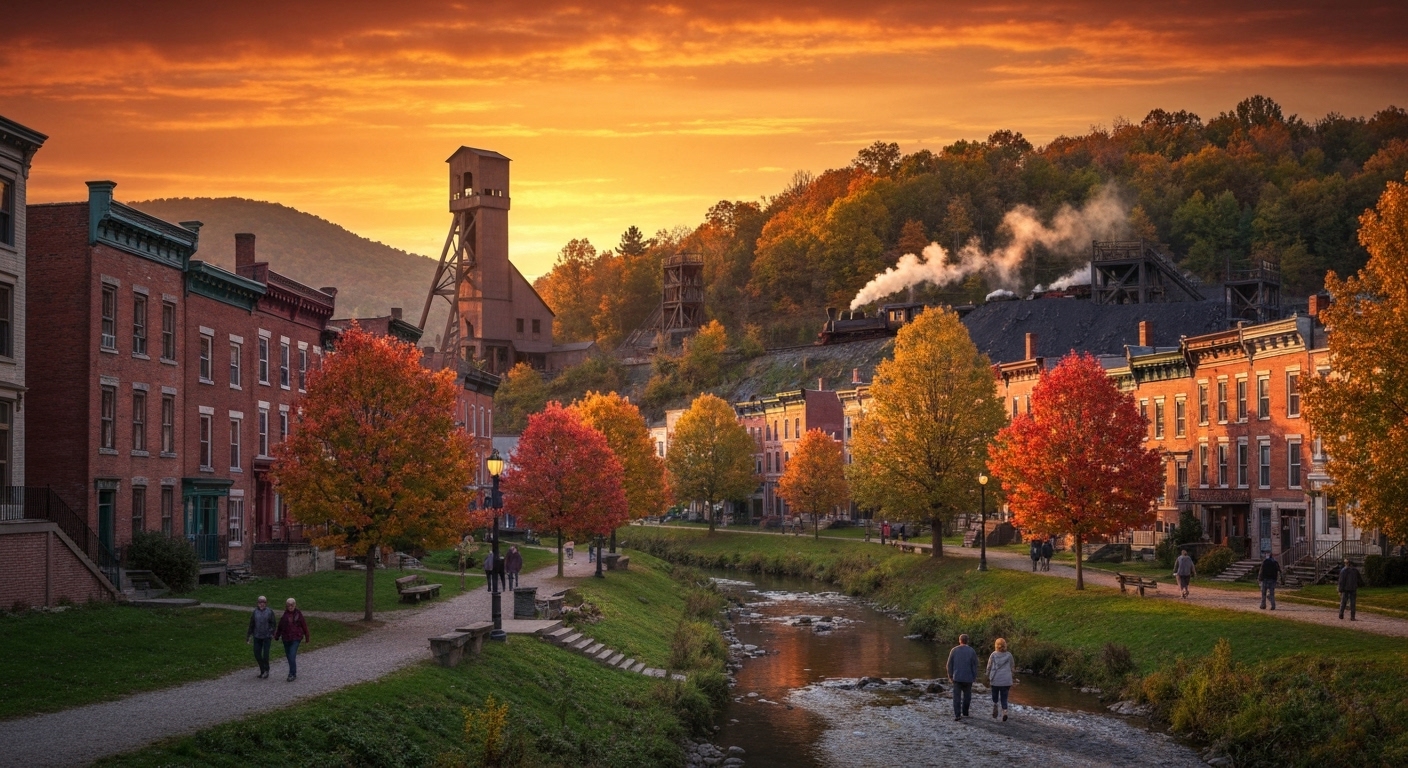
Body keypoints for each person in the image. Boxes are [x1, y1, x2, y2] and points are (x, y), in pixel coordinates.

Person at [274, 597, 310, 682]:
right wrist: (277, 636)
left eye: (292, 605)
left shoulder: (298, 614)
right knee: (289, 656)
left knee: (292, 655)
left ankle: (292, 673)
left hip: (296, 638)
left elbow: (304, 626)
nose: (290, 607)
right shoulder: (285, 615)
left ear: (295, 605)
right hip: (286, 638)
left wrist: (307, 637)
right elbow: (280, 627)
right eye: (288, 605)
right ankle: (292, 672)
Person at [946, 633, 978, 722]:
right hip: (968, 677)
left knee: (956, 697)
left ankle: (957, 715)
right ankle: (965, 712)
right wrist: (974, 675)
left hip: (957, 677)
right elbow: (974, 665)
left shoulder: (954, 650)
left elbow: (949, 664)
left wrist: (950, 675)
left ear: (960, 640)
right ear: (967, 641)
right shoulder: (972, 651)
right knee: (967, 696)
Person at [246, 595, 276, 679]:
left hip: (266, 636)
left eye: (264, 602)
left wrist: (272, 633)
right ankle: (262, 670)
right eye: (260, 602)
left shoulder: (269, 612)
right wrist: (249, 636)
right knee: (257, 654)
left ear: (266, 603)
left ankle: (266, 670)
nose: (262, 604)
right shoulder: (255, 612)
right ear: (257, 603)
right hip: (257, 636)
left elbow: (273, 624)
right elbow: (251, 625)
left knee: (265, 655)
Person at [987, 638, 1014, 721]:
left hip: (995, 680)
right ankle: (1005, 712)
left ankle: (995, 705)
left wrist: (988, 675)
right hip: (1006, 680)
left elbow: (989, 666)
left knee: (995, 695)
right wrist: (1011, 675)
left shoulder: (993, 655)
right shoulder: (1009, 655)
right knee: (1004, 697)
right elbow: (1012, 667)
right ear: (1005, 645)